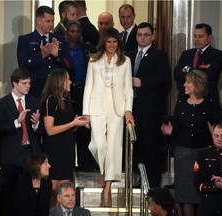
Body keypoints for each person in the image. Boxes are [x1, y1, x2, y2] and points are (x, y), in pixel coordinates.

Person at [82, 28, 134, 207]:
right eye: (108, 41)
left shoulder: (125, 61)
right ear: (103, 42)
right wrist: (86, 113)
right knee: (98, 144)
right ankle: (104, 170)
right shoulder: (94, 60)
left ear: (118, 43)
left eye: (115, 42)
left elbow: (128, 88)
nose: (111, 45)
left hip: (117, 108)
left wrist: (128, 110)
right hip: (97, 106)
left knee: (113, 147)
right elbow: (88, 86)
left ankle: (108, 189)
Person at [161, 70, 220, 216]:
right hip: (183, 154)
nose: (185, 84)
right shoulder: (181, 105)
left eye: (188, 82)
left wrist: (214, 133)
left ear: (197, 84)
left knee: (203, 192)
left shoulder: (210, 106)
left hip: (204, 154)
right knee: (186, 194)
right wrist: (170, 131)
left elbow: (219, 130)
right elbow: (176, 128)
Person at [0, 68, 43, 216]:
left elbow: (41, 131)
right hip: (11, 156)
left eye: (29, 83)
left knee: (30, 194)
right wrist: (17, 122)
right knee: (9, 195)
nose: (28, 86)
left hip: (31, 154)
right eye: (24, 83)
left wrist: (35, 124)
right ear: (15, 83)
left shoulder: (35, 101)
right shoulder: (2, 103)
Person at [127, 22, 170, 188]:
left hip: (151, 109)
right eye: (139, 35)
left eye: (146, 34)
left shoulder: (159, 55)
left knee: (150, 145)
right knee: (136, 145)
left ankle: (152, 184)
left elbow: (164, 79)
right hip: (133, 108)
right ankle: (138, 178)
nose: (142, 37)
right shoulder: (129, 55)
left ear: (152, 36)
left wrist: (142, 82)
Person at [40, 68, 89, 206]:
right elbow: (50, 130)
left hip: (67, 148)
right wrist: (72, 123)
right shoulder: (50, 100)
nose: (70, 82)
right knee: (53, 191)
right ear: (60, 81)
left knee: (64, 190)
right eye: (68, 79)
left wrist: (78, 123)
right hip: (54, 149)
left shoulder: (67, 101)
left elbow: (68, 126)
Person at [17, 5, 74, 98]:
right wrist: (42, 55)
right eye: (48, 21)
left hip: (57, 91)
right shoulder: (25, 40)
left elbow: (70, 66)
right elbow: (22, 65)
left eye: (52, 21)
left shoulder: (60, 39)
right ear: (38, 20)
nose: (51, 25)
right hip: (35, 90)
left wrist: (57, 56)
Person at [66, 21, 96, 171]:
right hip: (67, 92)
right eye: (72, 31)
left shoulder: (87, 49)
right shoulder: (62, 48)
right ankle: (69, 164)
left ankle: (85, 164)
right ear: (67, 32)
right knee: (70, 126)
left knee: (84, 128)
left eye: (78, 31)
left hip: (84, 91)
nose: (75, 34)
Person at [174, 23, 222, 104]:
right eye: (195, 36)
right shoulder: (186, 54)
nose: (196, 39)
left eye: (200, 37)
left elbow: (209, 74)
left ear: (209, 38)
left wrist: (187, 69)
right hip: (185, 99)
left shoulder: (216, 54)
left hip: (207, 100)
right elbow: (176, 74)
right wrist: (200, 71)